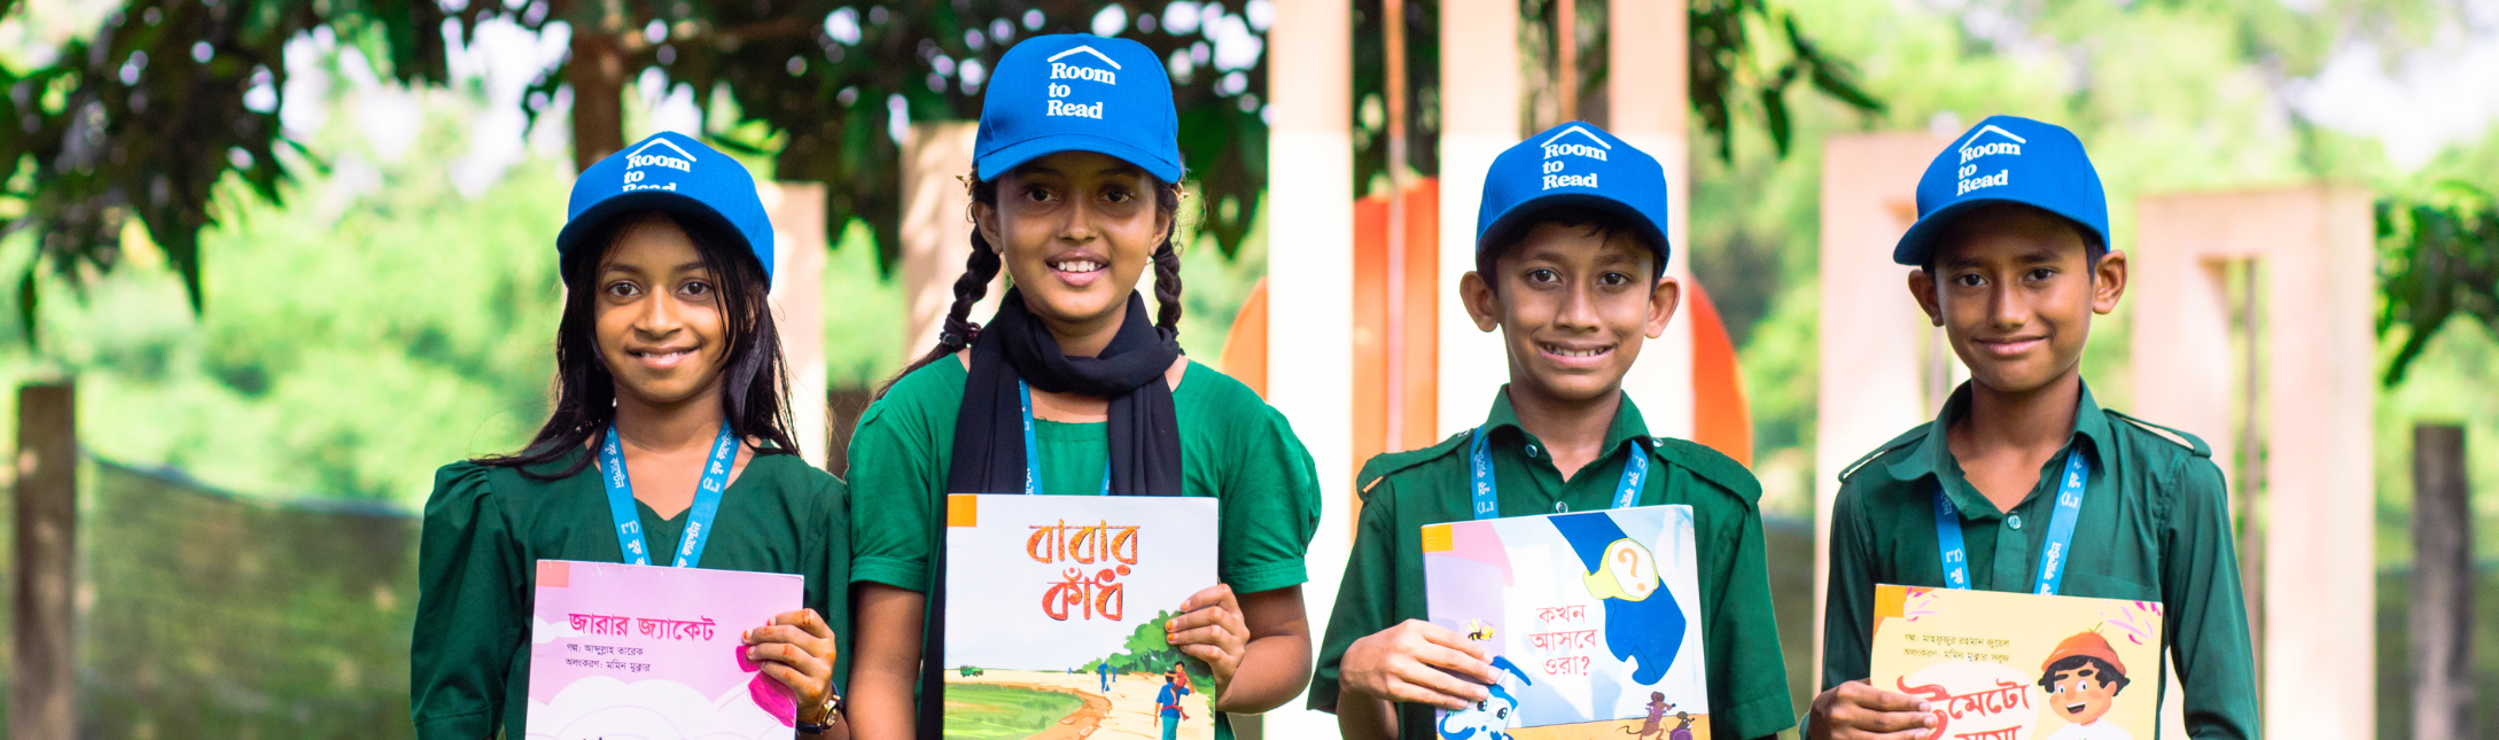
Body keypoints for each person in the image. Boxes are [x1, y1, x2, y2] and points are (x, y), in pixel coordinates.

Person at [842, 34, 1322, 740]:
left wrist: (1220, 669)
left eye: (1114, 195)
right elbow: (883, 670)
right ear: (988, 215)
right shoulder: (915, 420)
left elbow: (1288, 647)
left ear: (1160, 220)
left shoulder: (1234, 425)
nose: (1076, 227)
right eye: (1039, 192)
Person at [1311, 121, 1794, 740]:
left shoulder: (1712, 507)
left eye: (1613, 280)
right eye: (1543, 276)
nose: (1578, 314)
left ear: (1657, 305)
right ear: (1485, 299)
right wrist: (1358, 674)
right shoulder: (1405, 502)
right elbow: (1368, 728)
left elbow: (1754, 725)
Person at [1806, 115, 2258, 740]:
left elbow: (2227, 726)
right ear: (1928, 296)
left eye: (2039, 273)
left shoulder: (2176, 485)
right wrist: (1825, 729)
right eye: (1970, 279)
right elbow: (1854, 708)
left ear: (2105, 282)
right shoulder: (1874, 495)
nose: (2007, 310)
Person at [411, 132, 851, 738]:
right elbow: (452, 719)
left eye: (695, 287)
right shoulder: (501, 507)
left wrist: (818, 708)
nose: (657, 318)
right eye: (623, 288)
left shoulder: (815, 513)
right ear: (586, 310)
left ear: (749, 306)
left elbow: (851, 721)